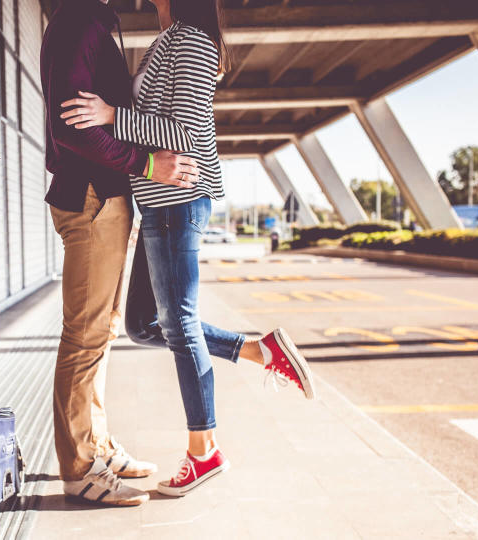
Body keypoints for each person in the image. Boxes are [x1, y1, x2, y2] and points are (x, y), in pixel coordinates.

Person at [59, 0, 315, 499]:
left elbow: (187, 135)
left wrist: (112, 116)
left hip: (179, 202)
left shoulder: (193, 41)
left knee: (178, 323)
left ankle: (205, 451)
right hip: (157, 204)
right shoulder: (170, 36)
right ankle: (260, 350)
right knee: (145, 326)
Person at [40, 0, 201, 507]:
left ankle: (99, 446)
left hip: (104, 196)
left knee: (103, 332)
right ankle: (81, 469)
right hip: (91, 198)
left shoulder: (91, 24)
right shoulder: (76, 26)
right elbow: (73, 127)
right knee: (85, 334)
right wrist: (147, 161)